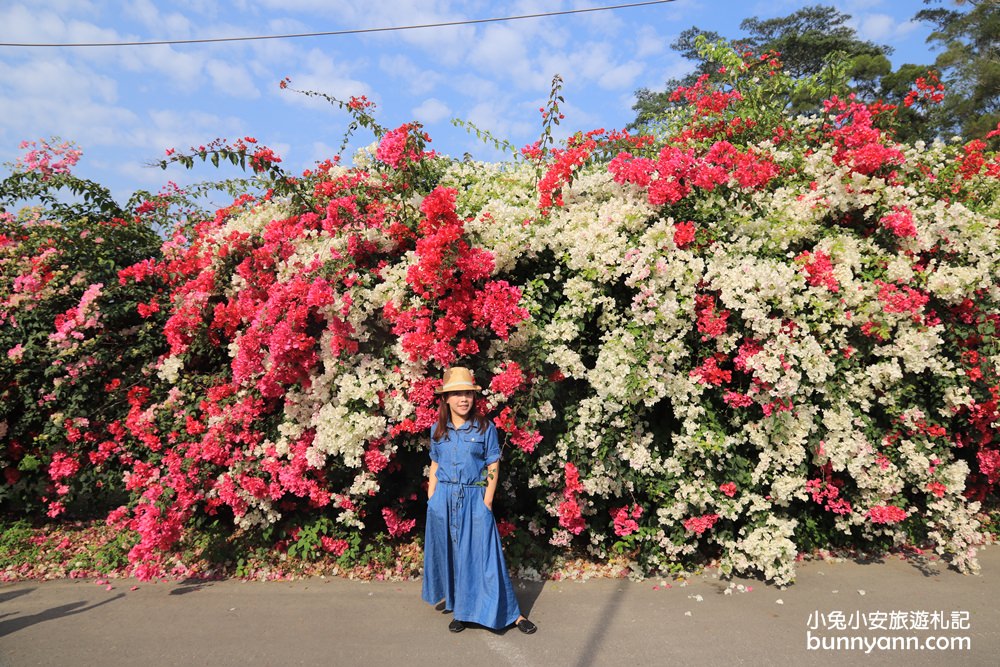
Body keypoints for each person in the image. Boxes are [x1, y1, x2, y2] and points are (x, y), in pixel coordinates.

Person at [421, 366, 537, 634]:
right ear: (446, 399)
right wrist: (432, 498)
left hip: (474, 497)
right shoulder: (437, 430)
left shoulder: (485, 428)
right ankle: (461, 610)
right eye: (457, 394)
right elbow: (434, 464)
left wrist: (487, 501)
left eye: (468, 394)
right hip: (443, 501)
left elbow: (493, 464)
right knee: (454, 556)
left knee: (485, 557)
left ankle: (512, 614)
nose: (464, 399)